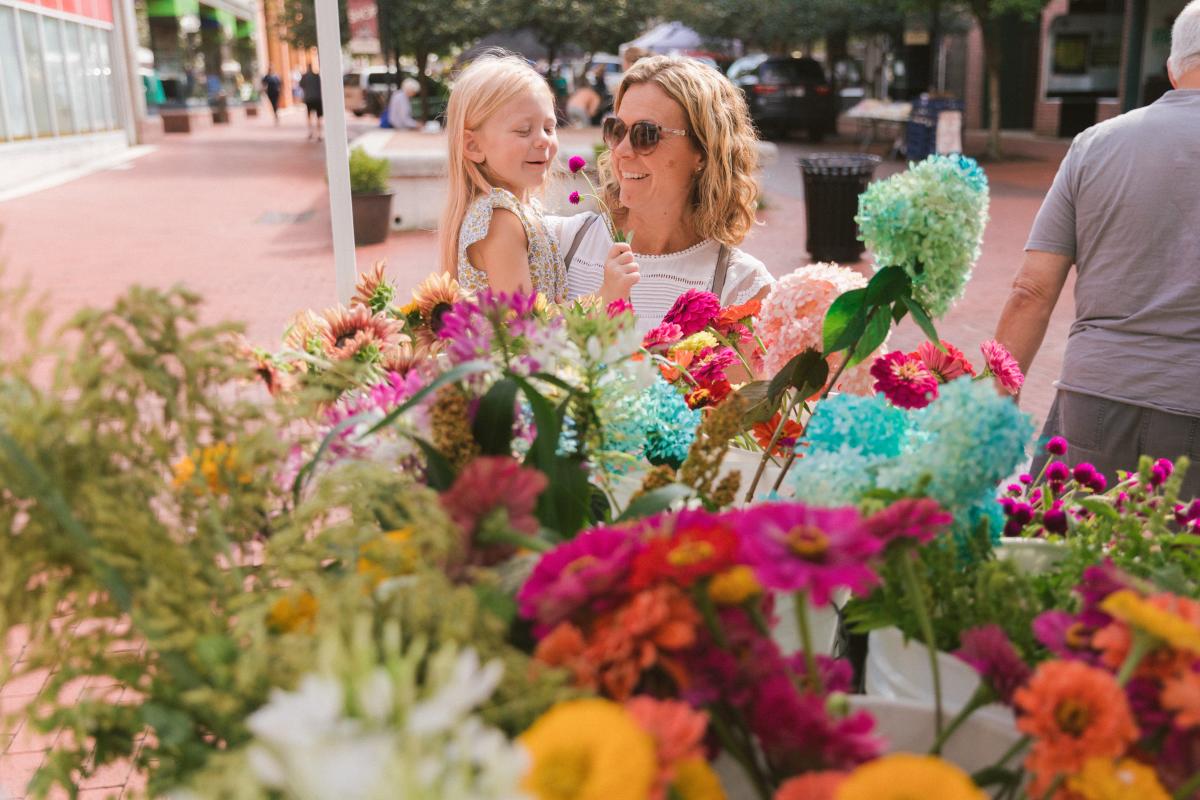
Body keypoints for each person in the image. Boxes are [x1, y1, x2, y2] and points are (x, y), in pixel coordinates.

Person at [994, 0, 1200, 499]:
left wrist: (994, 410)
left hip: (1093, 399)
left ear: (1172, 70)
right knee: (1175, 571)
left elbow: (1031, 290)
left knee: (1068, 566)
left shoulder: (1095, 144)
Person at [551, 55, 774, 337]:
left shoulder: (741, 287)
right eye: (616, 130)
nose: (622, 150)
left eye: (646, 134)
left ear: (704, 152)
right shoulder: (561, 245)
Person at [437, 52, 568, 302]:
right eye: (523, 130)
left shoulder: (521, 209)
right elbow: (522, 328)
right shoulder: (500, 219)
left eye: (549, 128)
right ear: (473, 146)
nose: (543, 140)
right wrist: (604, 297)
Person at [299, 65, 323, 141]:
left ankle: (311, 132)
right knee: (318, 117)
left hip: (309, 99)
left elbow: (301, 85)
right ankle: (319, 134)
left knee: (309, 116)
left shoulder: (305, 76)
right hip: (317, 98)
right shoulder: (317, 76)